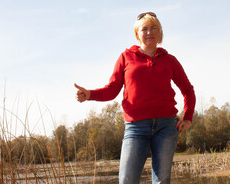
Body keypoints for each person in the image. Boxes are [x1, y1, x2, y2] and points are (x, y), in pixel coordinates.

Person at [74, 12, 196, 184]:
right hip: (135, 127)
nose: (149, 32)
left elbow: (188, 90)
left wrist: (188, 117)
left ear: (160, 34)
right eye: (144, 29)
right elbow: (112, 89)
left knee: (162, 180)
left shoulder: (170, 60)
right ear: (137, 34)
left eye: (154, 28)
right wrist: (90, 94)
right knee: (127, 180)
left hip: (166, 126)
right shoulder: (126, 57)